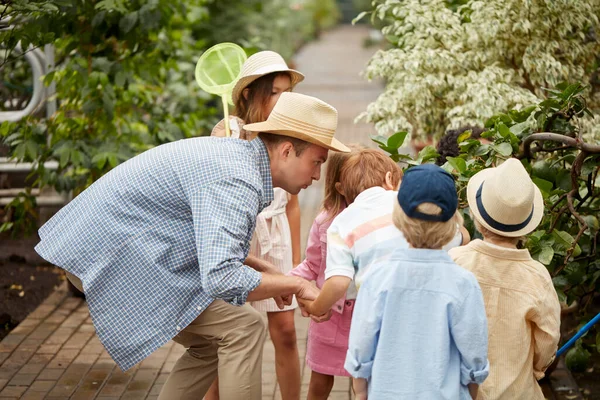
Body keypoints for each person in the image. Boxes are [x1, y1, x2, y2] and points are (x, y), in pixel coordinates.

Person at [34, 91, 349, 400]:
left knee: (212, 341)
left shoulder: (241, 163)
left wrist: (272, 273)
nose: (319, 176)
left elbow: (220, 250)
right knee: (243, 327)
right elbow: (221, 277)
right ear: (287, 150)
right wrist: (293, 283)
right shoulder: (238, 180)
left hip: (115, 245)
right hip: (111, 252)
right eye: (316, 162)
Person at [346, 164, 489, 400]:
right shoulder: (464, 283)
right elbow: (474, 353)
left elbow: (362, 344)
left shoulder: (378, 278)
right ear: (454, 220)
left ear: (398, 217)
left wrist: (361, 391)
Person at [208, 50, 304, 400]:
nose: (281, 99)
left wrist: (295, 260)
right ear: (248, 93)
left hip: (275, 235)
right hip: (238, 237)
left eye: (285, 91)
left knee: (287, 331)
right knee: (232, 334)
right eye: (273, 91)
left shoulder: (287, 131)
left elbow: (292, 204)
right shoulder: (226, 132)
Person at [449, 158, 561, 400]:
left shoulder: (455, 260)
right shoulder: (537, 277)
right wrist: (538, 368)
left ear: (478, 219)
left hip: (461, 391)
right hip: (518, 392)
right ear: (526, 228)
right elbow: (548, 339)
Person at [287, 145, 361, 400]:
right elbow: (312, 264)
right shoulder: (324, 222)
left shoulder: (377, 221)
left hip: (363, 315)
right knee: (320, 377)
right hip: (328, 314)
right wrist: (288, 283)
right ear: (340, 186)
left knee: (362, 380)